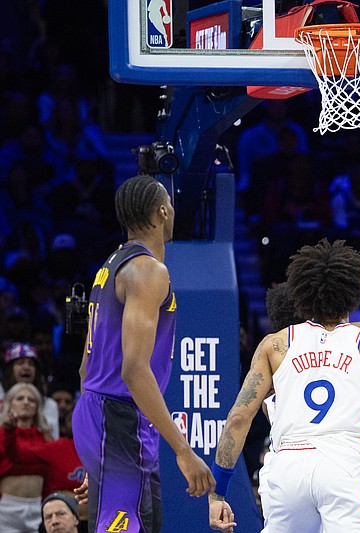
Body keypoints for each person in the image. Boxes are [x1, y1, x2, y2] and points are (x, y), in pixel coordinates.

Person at [208, 239, 360, 533]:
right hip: (343, 465)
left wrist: (217, 494)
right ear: (354, 292)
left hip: (287, 466)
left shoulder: (275, 345)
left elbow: (238, 419)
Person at [71, 174, 214, 533]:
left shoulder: (110, 266)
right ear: (163, 211)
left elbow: (85, 366)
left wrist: (98, 455)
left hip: (101, 415)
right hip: (117, 418)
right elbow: (134, 371)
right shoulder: (149, 270)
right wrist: (183, 450)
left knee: (141, 523)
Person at [0, 383, 51, 533]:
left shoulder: (46, 439)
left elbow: (49, 477)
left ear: (37, 407)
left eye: (31, 399)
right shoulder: (1, 436)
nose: (26, 402)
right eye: (20, 398)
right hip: (6, 508)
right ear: (9, 405)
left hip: (38, 507)